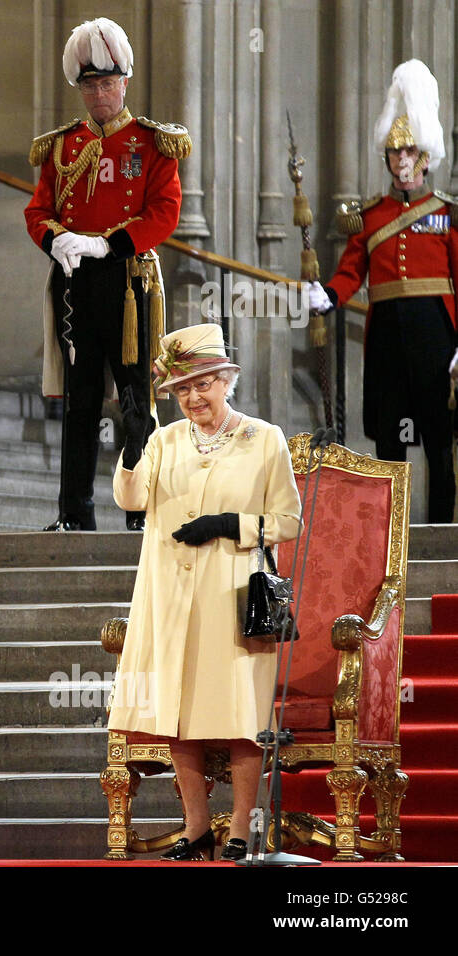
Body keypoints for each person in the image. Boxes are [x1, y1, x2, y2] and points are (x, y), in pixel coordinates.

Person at [108, 323, 301, 861]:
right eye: (183, 389)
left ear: (226, 381)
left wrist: (228, 524)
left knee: (238, 713)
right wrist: (129, 449)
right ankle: (194, 829)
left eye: (203, 385)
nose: (194, 398)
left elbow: (288, 521)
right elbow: (131, 499)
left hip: (234, 595)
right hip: (168, 593)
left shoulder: (264, 439)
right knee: (177, 710)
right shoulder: (165, 440)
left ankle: (240, 828)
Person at [25, 17, 190, 531]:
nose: (99, 94)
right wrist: (59, 241)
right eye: (89, 85)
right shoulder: (61, 146)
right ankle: (75, 513)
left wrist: (106, 242)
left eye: (107, 83)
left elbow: (165, 211)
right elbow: (38, 211)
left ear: (125, 82)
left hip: (128, 284)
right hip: (78, 285)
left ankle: (140, 513)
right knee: (81, 404)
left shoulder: (152, 142)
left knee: (136, 400)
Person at [309, 60, 458, 523]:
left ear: (426, 157)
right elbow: (353, 268)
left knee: (437, 438)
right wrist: (330, 295)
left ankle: (438, 535)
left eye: (410, 152)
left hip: (436, 332)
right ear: (387, 159)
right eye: (395, 154)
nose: (402, 161)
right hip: (388, 336)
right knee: (391, 442)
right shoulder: (370, 215)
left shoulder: (447, 214)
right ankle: (391, 539)